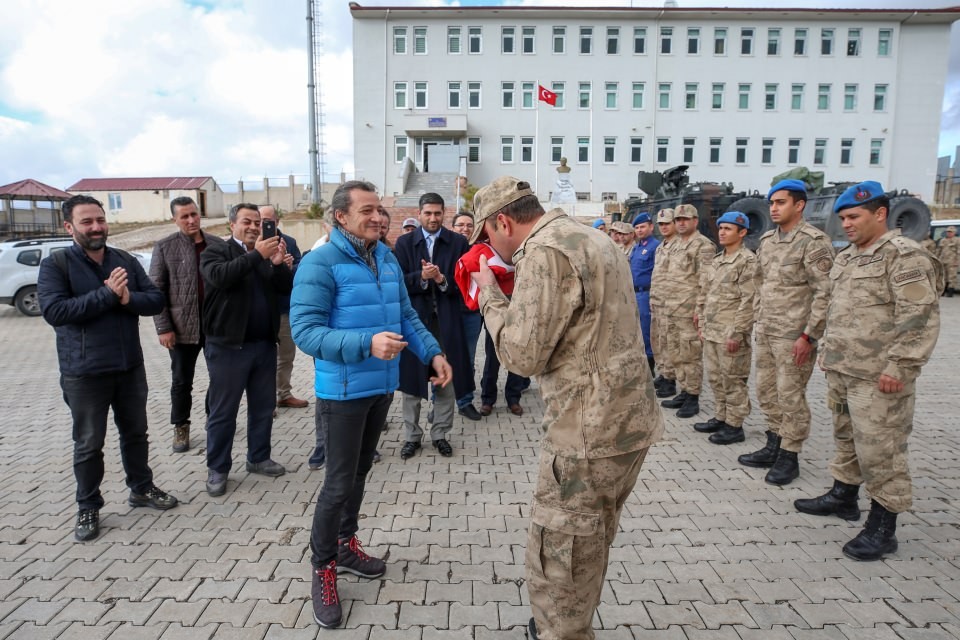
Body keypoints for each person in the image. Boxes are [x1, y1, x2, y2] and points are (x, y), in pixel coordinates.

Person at [467, 176, 663, 640]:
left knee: (561, 555)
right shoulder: (590, 237)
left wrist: (489, 294)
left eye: (487, 236)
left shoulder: (546, 251)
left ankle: (560, 630)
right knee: (589, 541)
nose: (490, 247)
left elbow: (521, 354)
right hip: (627, 421)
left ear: (502, 221)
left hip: (587, 433)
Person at [290, 180, 452, 628]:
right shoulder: (319, 262)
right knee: (338, 483)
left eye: (380, 209)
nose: (379, 217)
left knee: (360, 473)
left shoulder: (383, 255)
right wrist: (366, 343)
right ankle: (322, 568)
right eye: (368, 210)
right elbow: (305, 332)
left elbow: (405, 316)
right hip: (342, 391)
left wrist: (433, 352)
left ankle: (346, 545)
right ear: (341, 216)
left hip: (381, 386)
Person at [795, 181, 941, 561]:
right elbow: (835, 308)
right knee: (847, 438)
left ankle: (883, 525)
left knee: (882, 450)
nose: (846, 224)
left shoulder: (904, 256)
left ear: (880, 214)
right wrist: (823, 346)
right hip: (844, 369)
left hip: (880, 376)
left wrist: (901, 366)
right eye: (842, 217)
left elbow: (919, 318)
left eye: (854, 216)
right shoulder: (847, 257)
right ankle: (844, 496)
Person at [38, 195, 178, 542]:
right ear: (69, 227)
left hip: (129, 367)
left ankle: (141, 489)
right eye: (87, 222)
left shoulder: (124, 260)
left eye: (100, 219)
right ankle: (88, 505)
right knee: (89, 444)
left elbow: (156, 299)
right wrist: (108, 295)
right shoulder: (57, 264)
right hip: (84, 373)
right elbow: (55, 312)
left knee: (136, 434)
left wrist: (129, 298)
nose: (97, 227)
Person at [738, 179, 834, 484]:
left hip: (794, 337)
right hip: (767, 331)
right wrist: (754, 321)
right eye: (772, 203)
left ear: (799, 205)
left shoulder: (813, 241)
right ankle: (774, 443)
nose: (774, 208)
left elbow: (825, 293)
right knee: (766, 391)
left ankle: (790, 456)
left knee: (790, 396)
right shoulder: (768, 240)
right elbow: (758, 284)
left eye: (781, 202)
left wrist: (809, 336)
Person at [200, 203, 294, 497]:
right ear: (232, 225)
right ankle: (218, 467)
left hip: (263, 345)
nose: (254, 227)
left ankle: (258, 457)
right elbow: (220, 277)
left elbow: (285, 289)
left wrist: (278, 265)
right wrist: (258, 256)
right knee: (223, 411)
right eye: (247, 222)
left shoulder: (265, 256)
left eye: (259, 222)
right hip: (228, 346)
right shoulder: (216, 250)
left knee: (264, 407)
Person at [393, 193, 472, 459]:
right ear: (420, 213)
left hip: (447, 322)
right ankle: (412, 436)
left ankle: (440, 433)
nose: (433, 218)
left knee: (445, 381)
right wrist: (422, 278)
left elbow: (464, 282)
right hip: (416, 322)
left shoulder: (458, 242)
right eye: (428, 213)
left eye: (438, 213)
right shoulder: (404, 243)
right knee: (412, 382)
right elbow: (399, 282)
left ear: (444, 213)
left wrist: (441, 278)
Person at [150, 196, 226, 453]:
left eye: (194, 214)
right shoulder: (164, 247)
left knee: (220, 377)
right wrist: (163, 327)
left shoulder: (216, 244)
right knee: (182, 381)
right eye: (185, 216)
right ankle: (180, 426)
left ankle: (213, 419)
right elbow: (156, 291)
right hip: (181, 328)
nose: (191, 220)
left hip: (215, 326)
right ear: (175, 219)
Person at [694, 211, 758, 444]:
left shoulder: (747, 261)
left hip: (730, 333)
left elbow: (748, 300)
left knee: (733, 379)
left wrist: (738, 332)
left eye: (728, 229)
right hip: (712, 331)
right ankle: (721, 417)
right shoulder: (718, 260)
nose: (722, 232)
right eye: (720, 228)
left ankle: (735, 425)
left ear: (742, 233)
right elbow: (705, 293)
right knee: (716, 378)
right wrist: (701, 323)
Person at [659, 203, 714, 419]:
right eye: (678, 220)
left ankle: (693, 396)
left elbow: (706, 281)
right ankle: (683, 389)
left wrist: (700, 309)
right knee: (676, 353)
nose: (681, 223)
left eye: (685, 219)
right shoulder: (675, 245)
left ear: (695, 221)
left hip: (689, 310)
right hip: (672, 308)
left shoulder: (703, 246)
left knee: (690, 355)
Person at [260, 205, 309, 410]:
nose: (265, 225)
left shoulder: (289, 242)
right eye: (261, 221)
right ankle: (264, 401)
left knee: (286, 355)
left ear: (277, 221)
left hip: (284, 308)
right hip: (261, 311)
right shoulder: (253, 244)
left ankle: (283, 394)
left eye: (269, 221)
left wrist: (289, 266)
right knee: (263, 358)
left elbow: (301, 267)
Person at [451, 212, 483, 420]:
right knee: (444, 357)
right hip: (448, 313)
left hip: (471, 313)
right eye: (460, 225)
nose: (465, 228)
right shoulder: (446, 248)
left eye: (469, 225)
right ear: (453, 227)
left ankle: (465, 401)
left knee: (468, 359)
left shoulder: (480, 250)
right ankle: (439, 403)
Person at [650, 208, 678, 398]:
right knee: (659, 341)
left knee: (671, 344)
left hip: (674, 305)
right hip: (658, 303)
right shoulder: (661, 247)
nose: (664, 227)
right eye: (661, 224)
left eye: (667, 223)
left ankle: (671, 379)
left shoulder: (679, 246)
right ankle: (664, 373)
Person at [630, 213, 660, 374]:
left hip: (646, 294)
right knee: (638, 330)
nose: (639, 230)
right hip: (635, 294)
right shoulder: (638, 247)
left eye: (642, 227)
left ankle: (650, 367)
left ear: (650, 227)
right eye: (637, 227)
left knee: (647, 330)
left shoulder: (655, 246)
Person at [938, 225, 959, 296]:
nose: (949, 233)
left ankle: (950, 292)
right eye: (948, 232)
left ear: (954, 232)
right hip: (943, 261)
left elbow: (959, 252)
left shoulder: (957, 240)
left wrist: (957, 261)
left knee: (951, 277)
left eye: (951, 232)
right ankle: (943, 291)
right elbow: (939, 251)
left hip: (952, 262)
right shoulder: (943, 240)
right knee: (943, 277)